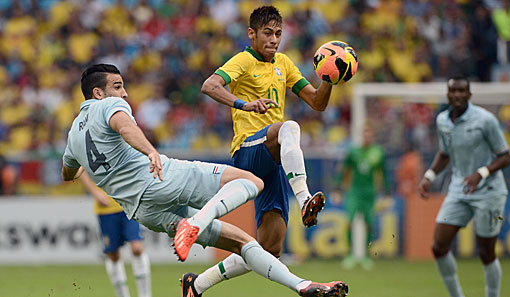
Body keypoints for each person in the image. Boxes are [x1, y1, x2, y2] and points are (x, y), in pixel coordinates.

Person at [62, 63, 348, 297]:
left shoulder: (73, 136)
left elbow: (68, 173)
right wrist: (150, 151)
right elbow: (125, 128)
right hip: (161, 178)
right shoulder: (108, 106)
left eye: (123, 86)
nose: (123, 94)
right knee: (252, 182)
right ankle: (195, 224)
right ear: (97, 93)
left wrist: (94, 168)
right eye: (117, 86)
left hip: (142, 211)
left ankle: (301, 285)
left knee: (243, 243)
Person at [188, 6, 340, 296]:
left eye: (278, 34)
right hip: (247, 150)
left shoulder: (284, 62)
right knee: (288, 128)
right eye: (268, 33)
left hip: (271, 160)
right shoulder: (244, 60)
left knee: (269, 248)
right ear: (252, 34)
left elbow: (318, 103)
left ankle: (196, 284)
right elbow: (210, 85)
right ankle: (305, 198)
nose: (274, 39)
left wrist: (329, 77)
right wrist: (244, 104)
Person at [418, 76, 510, 297]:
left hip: (489, 191)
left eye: (462, 91)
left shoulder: (485, 120)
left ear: (469, 94)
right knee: (438, 246)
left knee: (486, 252)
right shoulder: (442, 120)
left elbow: (505, 156)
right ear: (448, 94)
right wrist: (429, 175)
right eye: (453, 91)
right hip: (459, 190)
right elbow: (444, 152)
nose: (457, 95)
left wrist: (481, 173)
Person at [80, 173, 151, 297]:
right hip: (105, 209)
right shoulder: (85, 152)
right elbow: (78, 168)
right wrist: (94, 192)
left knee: (137, 248)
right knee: (113, 255)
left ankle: (145, 295)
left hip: (127, 203)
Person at [338, 126, 390, 270]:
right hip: (354, 191)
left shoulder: (378, 152)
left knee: (369, 223)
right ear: (362, 136)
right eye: (365, 135)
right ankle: (349, 255)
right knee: (349, 220)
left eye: (370, 135)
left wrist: (387, 191)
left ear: (372, 137)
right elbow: (344, 170)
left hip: (370, 192)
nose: (367, 138)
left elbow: (384, 172)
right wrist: (338, 187)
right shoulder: (353, 152)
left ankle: (366, 256)